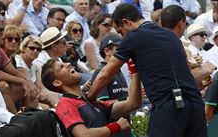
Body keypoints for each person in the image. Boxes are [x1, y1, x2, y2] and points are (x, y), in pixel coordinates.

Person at [88, 3, 208, 137]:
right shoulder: (172, 36)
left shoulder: (133, 37)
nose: (122, 37)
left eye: (121, 32)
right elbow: (187, 70)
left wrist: (89, 98)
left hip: (169, 105)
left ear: (126, 22)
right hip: (196, 105)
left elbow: (106, 72)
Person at [41, 58, 142, 137]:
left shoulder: (91, 101)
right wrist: (116, 126)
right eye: (61, 67)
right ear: (57, 82)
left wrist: (134, 71)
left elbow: (133, 104)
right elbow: (83, 135)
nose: (68, 64)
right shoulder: (65, 104)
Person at [91, 33, 131, 137]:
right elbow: (100, 104)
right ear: (107, 51)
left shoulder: (119, 71)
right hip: (112, 131)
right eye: (120, 48)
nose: (125, 51)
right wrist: (128, 99)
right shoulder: (101, 72)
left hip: (125, 129)